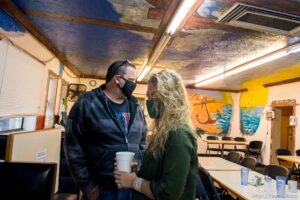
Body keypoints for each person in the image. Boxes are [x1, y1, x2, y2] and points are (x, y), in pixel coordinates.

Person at [64, 60, 147, 200]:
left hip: (132, 187)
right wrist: (87, 184)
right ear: (118, 79)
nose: (134, 84)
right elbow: (73, 147)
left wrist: (139, 170)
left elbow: (143, 143)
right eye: (132, 80)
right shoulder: (87, 103)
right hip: (102, 190)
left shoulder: (136, 106)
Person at [114, 69, 199, 200]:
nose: (148, 101)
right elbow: (159, 171)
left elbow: (169, 194)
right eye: (148, 96)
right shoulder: (164, 131)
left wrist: (133, 182)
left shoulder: (179, 136)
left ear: (168, 98)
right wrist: (139, 172)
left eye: (152, 96)